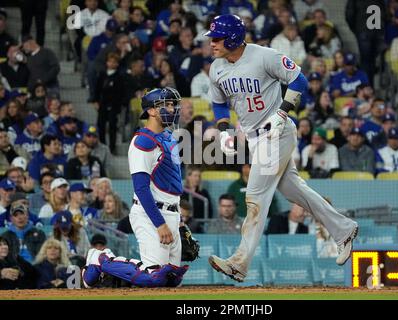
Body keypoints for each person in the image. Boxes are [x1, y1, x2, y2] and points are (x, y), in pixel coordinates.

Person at [204, 15, 357, 282]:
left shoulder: (264, 56)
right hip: (254, 137)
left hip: (277, 130)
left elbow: (299, 80)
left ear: (232, 38)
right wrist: (224, 127)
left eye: (216, 38)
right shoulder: (217, 68)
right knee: (293, 189)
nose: (212, 43)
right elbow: (218, 103)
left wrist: (283, 112)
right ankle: (344, 229)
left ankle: (239, 263)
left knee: (255, 196)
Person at [82, 87, 189, 288]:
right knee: (154, 276)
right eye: (166, 104)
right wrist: (160, 224)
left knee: (171, 281)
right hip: (150, 214)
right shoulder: (142, 142)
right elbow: (141, 189)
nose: (172, 108)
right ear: (151, 111)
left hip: (171, 214)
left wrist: (179, 220)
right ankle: (101, 259)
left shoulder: (169, 137)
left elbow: (171, 183)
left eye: (173, 104)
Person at [345, 0, 386, 85]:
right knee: (372, 61)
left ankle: (366, 87)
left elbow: (349, 15)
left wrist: (356, 29)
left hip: (363, 31)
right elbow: (384, 13)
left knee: (365, 62)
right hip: (377, 32)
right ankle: (370, 86)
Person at [93, 52, 127, 154]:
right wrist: (95, 100)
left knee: (112, 126)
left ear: (117, 64)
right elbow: (97, 89)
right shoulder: (102, 75)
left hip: (114, 105)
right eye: (110, 61)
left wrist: (119, 105)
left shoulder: (120, 77)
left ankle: (112, 147)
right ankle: (102, 145)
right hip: (102, 104)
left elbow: (121, 92)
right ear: (107, 63)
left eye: (114, 62)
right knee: (101, 125)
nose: (111, 64)